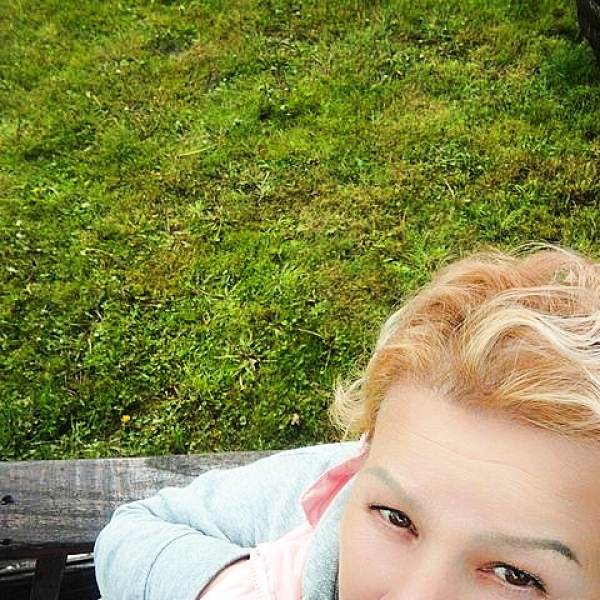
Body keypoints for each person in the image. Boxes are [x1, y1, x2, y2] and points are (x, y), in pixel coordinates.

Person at [94, 243, 600, 599]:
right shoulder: (320, 492)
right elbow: (136, 530)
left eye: (514, 575)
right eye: (395, 518)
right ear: (362, 458)